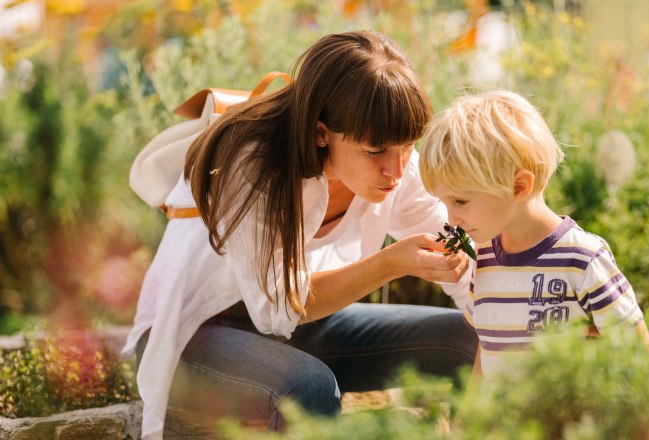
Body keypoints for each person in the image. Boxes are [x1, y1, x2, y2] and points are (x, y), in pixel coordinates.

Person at [122, 31, 477, 439]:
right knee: (307, 388)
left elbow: (458, 247)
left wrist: (491, 303)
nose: (396, 170)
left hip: (297, 334)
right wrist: (391, 263)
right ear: (322, 132)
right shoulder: (252, 163)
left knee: (468, 339)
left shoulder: (398, 162)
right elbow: (280, 307)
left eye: (407, 146)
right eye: (376, 151)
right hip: (197, 336)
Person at [418, 90, 649, 378]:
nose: (451, 219)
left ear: (518, 187)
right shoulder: (486, 259)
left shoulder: (582, 260)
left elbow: (636, 352)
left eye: (460, 201)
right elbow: (485, 350)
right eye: (445, 203)